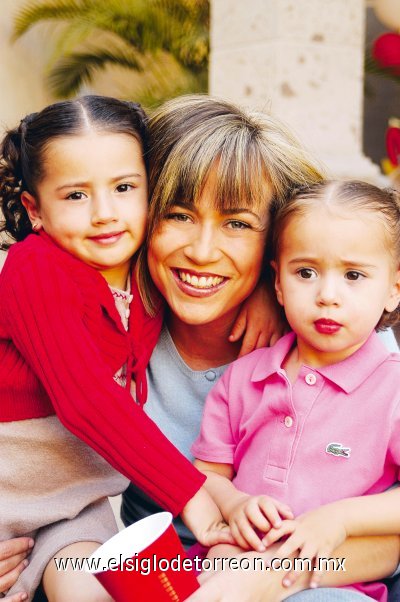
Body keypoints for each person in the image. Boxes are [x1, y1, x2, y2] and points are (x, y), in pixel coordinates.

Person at [1, 96, 400, 602]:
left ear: (278, 243)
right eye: (179, 214)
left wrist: (263, 577)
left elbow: (386, 543)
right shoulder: (102, 325)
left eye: (238, 224)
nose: (204, 250)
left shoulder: (340, 335)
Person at [0, 95, 236, 602]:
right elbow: (83, 398)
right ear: (34, 209)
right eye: (76, 196)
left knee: (90, 586)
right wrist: (190, 494)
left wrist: (261, 296)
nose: (105, 214)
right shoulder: (34, 268)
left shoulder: (146, 273)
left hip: (81, 497)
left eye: (125, 188)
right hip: (9, 485)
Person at [192, 180, 400, 601]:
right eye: (305, 273)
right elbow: (206, 476)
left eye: (354, 275)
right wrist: (234, 504)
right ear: (279, 284)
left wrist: (338, 519)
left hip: (335, 582)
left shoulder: (392, 387)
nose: (327, 296)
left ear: (394, 288)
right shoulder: (243, 378)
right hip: (228, 562)